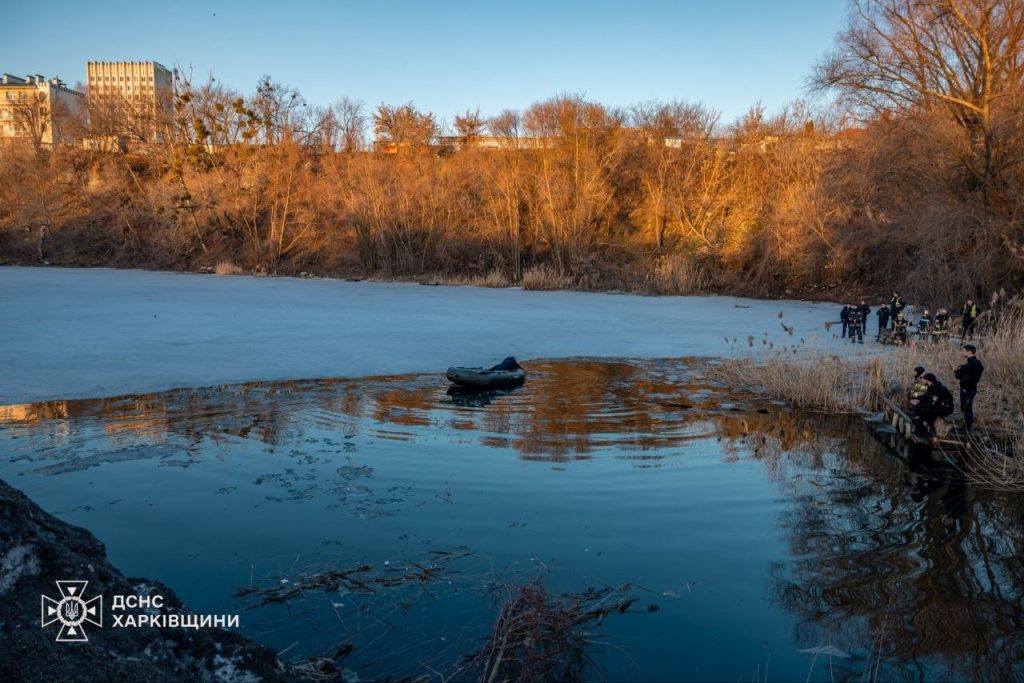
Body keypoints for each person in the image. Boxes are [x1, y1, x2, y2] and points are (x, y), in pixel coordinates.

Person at [954, 344, 984, 431]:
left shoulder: (973, 364)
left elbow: (970, 378)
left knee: (967, 408)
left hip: (968, 389)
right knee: (964, 407)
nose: (962, 353)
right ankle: (966, 426)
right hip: (967, 388)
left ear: (970, 352)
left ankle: (967, 428)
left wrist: (959, 374)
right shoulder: (971, 363)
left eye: (964, 351)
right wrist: (958, 372)